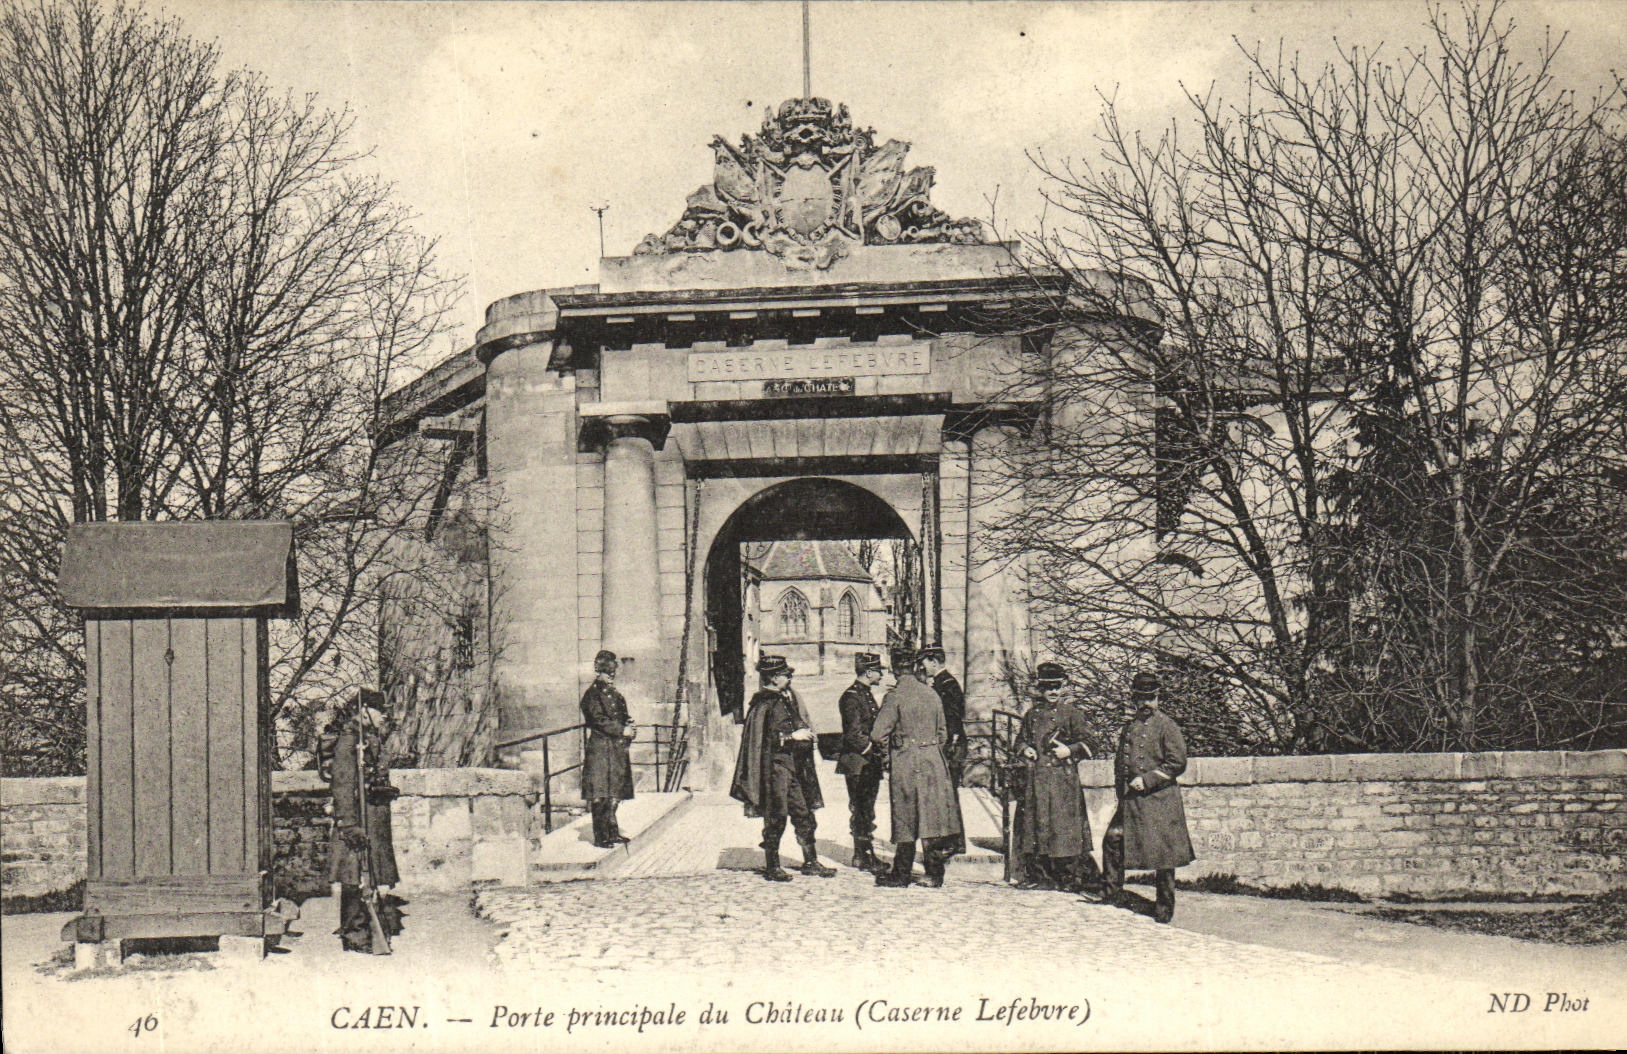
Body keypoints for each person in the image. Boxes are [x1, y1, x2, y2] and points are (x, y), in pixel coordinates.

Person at [730, 654, 836, 881]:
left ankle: (811, 861)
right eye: (786, 674)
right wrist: (792, 736)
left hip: (794, 767)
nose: (789, 677)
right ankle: (772, 866)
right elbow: (764, 741)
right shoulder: (764, 703)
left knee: (803, 812)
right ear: (775, 677)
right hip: (775, 769)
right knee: (776, 815)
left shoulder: (784, 699)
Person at [1101, 670, 1195, 923]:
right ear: (1134, 699)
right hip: (1132, 802)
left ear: (1157, 698)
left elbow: (1178, 762)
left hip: (1160, 800)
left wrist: (1148, 779)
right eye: (1140, 698)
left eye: (1150, 698)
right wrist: (1122, 795)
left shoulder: (1167, 726)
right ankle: (1112, 895)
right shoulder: (1129, 727)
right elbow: (1120, 763)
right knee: (1112, 840)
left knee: (1164, 856)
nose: (1145, 704)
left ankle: (1164, 908)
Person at [871, 649, 965, 888]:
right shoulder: (931, 693)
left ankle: (901, 873)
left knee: (906, 815)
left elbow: (877, 734)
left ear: (893, 670)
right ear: (915, 668)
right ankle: (934, 874)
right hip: (933, 759)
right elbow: (943, 733)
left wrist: (888, 758)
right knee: (932, 816)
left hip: (906, 759)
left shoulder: (895, 696)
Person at [320, 689, 402, 953]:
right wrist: (349, 825)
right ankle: (354, 935)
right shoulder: (349, 743)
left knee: (368, 875)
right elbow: (343, 786)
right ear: (364, 710)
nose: (384, 716)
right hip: (357, 821)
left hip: (372, 819)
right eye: (379, 711)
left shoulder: (368, 740)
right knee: (354, 877)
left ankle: (364, 928)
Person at [1010, 662, 1099, 893]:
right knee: (1038, 828)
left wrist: (1069, 750)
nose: (1052, 691)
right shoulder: (1033, 714)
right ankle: (1042, 876)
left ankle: (1068, 878)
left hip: (1063, 782)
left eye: (1057, 686)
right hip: (1037, 782)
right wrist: (1024, 749)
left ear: (1064, 687)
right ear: (1040, 688)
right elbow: (1020, 740)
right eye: (1048, 687)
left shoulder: (1073, 714)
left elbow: (1090, 744)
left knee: (1064, 830)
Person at [836, 652, 889, 873]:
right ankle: (863, 856)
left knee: (866, 808)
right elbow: (853, 734)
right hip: (859, 763)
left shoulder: (864, 694)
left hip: (866, 763)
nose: (881, 674)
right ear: (868, 672)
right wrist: (872, 751)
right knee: (861, 808)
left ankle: (863, 853)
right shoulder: (851, 697)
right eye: (878, 671)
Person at [580, 649, 637, 848]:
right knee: (600, 795)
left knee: (615, 793)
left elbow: (623, 716)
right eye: (608, 673)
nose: (611, 677)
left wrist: (630, 726)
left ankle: (613, 832)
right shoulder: (592, 695)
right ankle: (601, 836)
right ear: (599, 672)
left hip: (615, 748)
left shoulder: (615, 694)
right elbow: (598, 720)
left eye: (613, 673)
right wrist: (622, 730)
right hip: (600, 748)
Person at [919, 646, 967, 787]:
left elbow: (953, 716)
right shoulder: (940, 682)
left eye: (924, 663)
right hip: (946, 743)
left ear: (933, 662)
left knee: (948, 791)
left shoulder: (947, 685)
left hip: (949, 745)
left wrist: (951, 742)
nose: (923, 667)